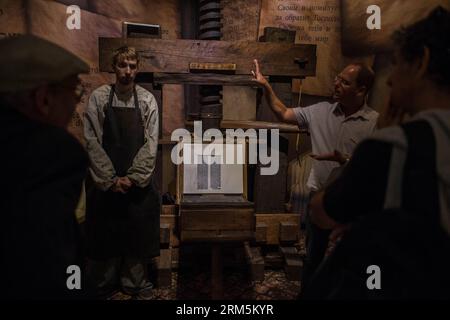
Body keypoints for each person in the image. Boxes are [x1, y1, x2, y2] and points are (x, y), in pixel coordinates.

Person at [307, 6, 450, 298]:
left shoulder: (392, 146)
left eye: (396, 63)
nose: (389, 79)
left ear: (421, 61)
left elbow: (320, 212)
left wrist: (380, 136)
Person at [252, 59, 379, 288]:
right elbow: (284, 113)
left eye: (345, 82)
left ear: (361, 90)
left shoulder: (375, 123)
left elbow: (380, 168)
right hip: (319, 198)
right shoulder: (320, 111)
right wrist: (265, 86)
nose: (337, 83)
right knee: (313, 257)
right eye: (337, 78)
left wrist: (346, 161)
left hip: (354, 203)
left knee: (350, 261)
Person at [0, 35, 90, 299]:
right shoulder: (50, 156)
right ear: (43, 99)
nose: (75, 102)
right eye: (74, 91)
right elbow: (51, 269)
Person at [84, 46, 160, 299]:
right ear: (113, 67)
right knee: (105, 232)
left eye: (132, 66)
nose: (127, 71)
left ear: (137, 68)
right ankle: (103, 283)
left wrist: (134, 177)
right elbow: (91, 140)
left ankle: (134, 283)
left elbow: (151, 143)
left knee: (135, 233)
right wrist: (108, 179)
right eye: (122, 65)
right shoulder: (98, 98)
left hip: (134, 184)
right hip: (106, 182)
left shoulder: (148, 100)